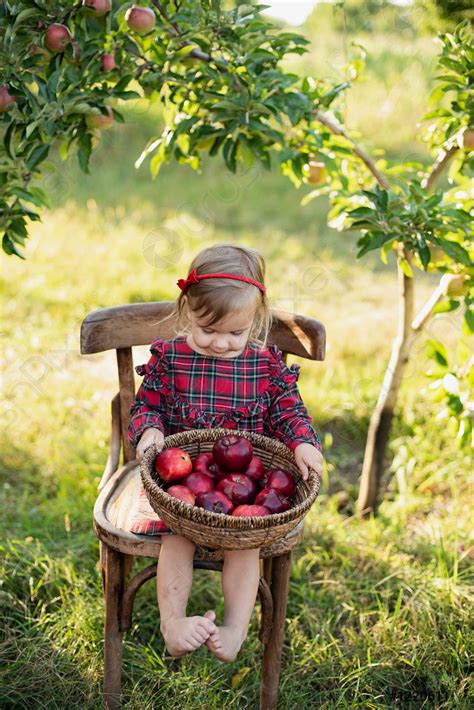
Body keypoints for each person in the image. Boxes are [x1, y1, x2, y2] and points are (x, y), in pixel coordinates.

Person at [127, 243, 323, 662]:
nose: (220, 343)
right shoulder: (171, 359)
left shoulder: (264, 365)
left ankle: (234, 628)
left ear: (257, 319)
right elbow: (147, 406)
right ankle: (172, 623)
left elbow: (290, 412)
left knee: (245, 545)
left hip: (243, 493)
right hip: (178, 489)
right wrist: (149, 433)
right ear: (187, 312)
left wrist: (303, 442)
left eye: (236, 333)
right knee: (175, 538)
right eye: (208, 330)